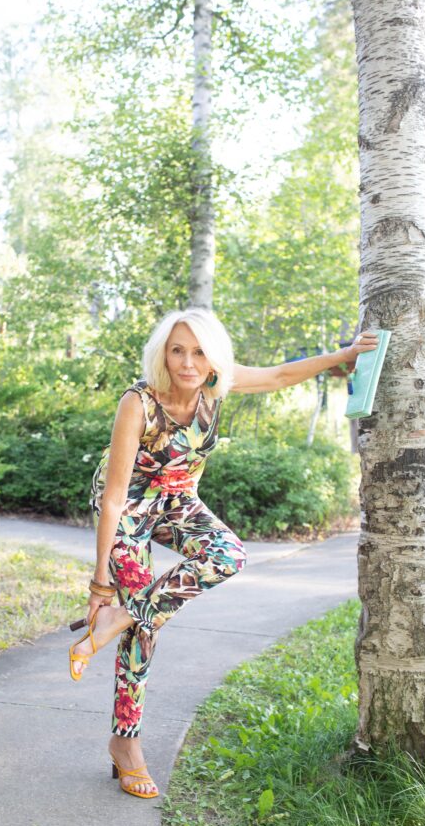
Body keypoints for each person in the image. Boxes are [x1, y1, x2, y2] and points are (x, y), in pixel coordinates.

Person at [68, 308, 378, 799]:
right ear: (162, 354)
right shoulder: (139, 402)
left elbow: (280, 375)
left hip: (178, 503)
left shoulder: (215, 388)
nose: (188, 362)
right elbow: (111, 497)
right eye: (177, 350)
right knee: (147, 627)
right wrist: (100, 582)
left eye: (198, 351)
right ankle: (125, 743)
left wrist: (345, 355)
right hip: (127, 506)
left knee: (227, 554)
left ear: (213, 356)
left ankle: (122, 616)